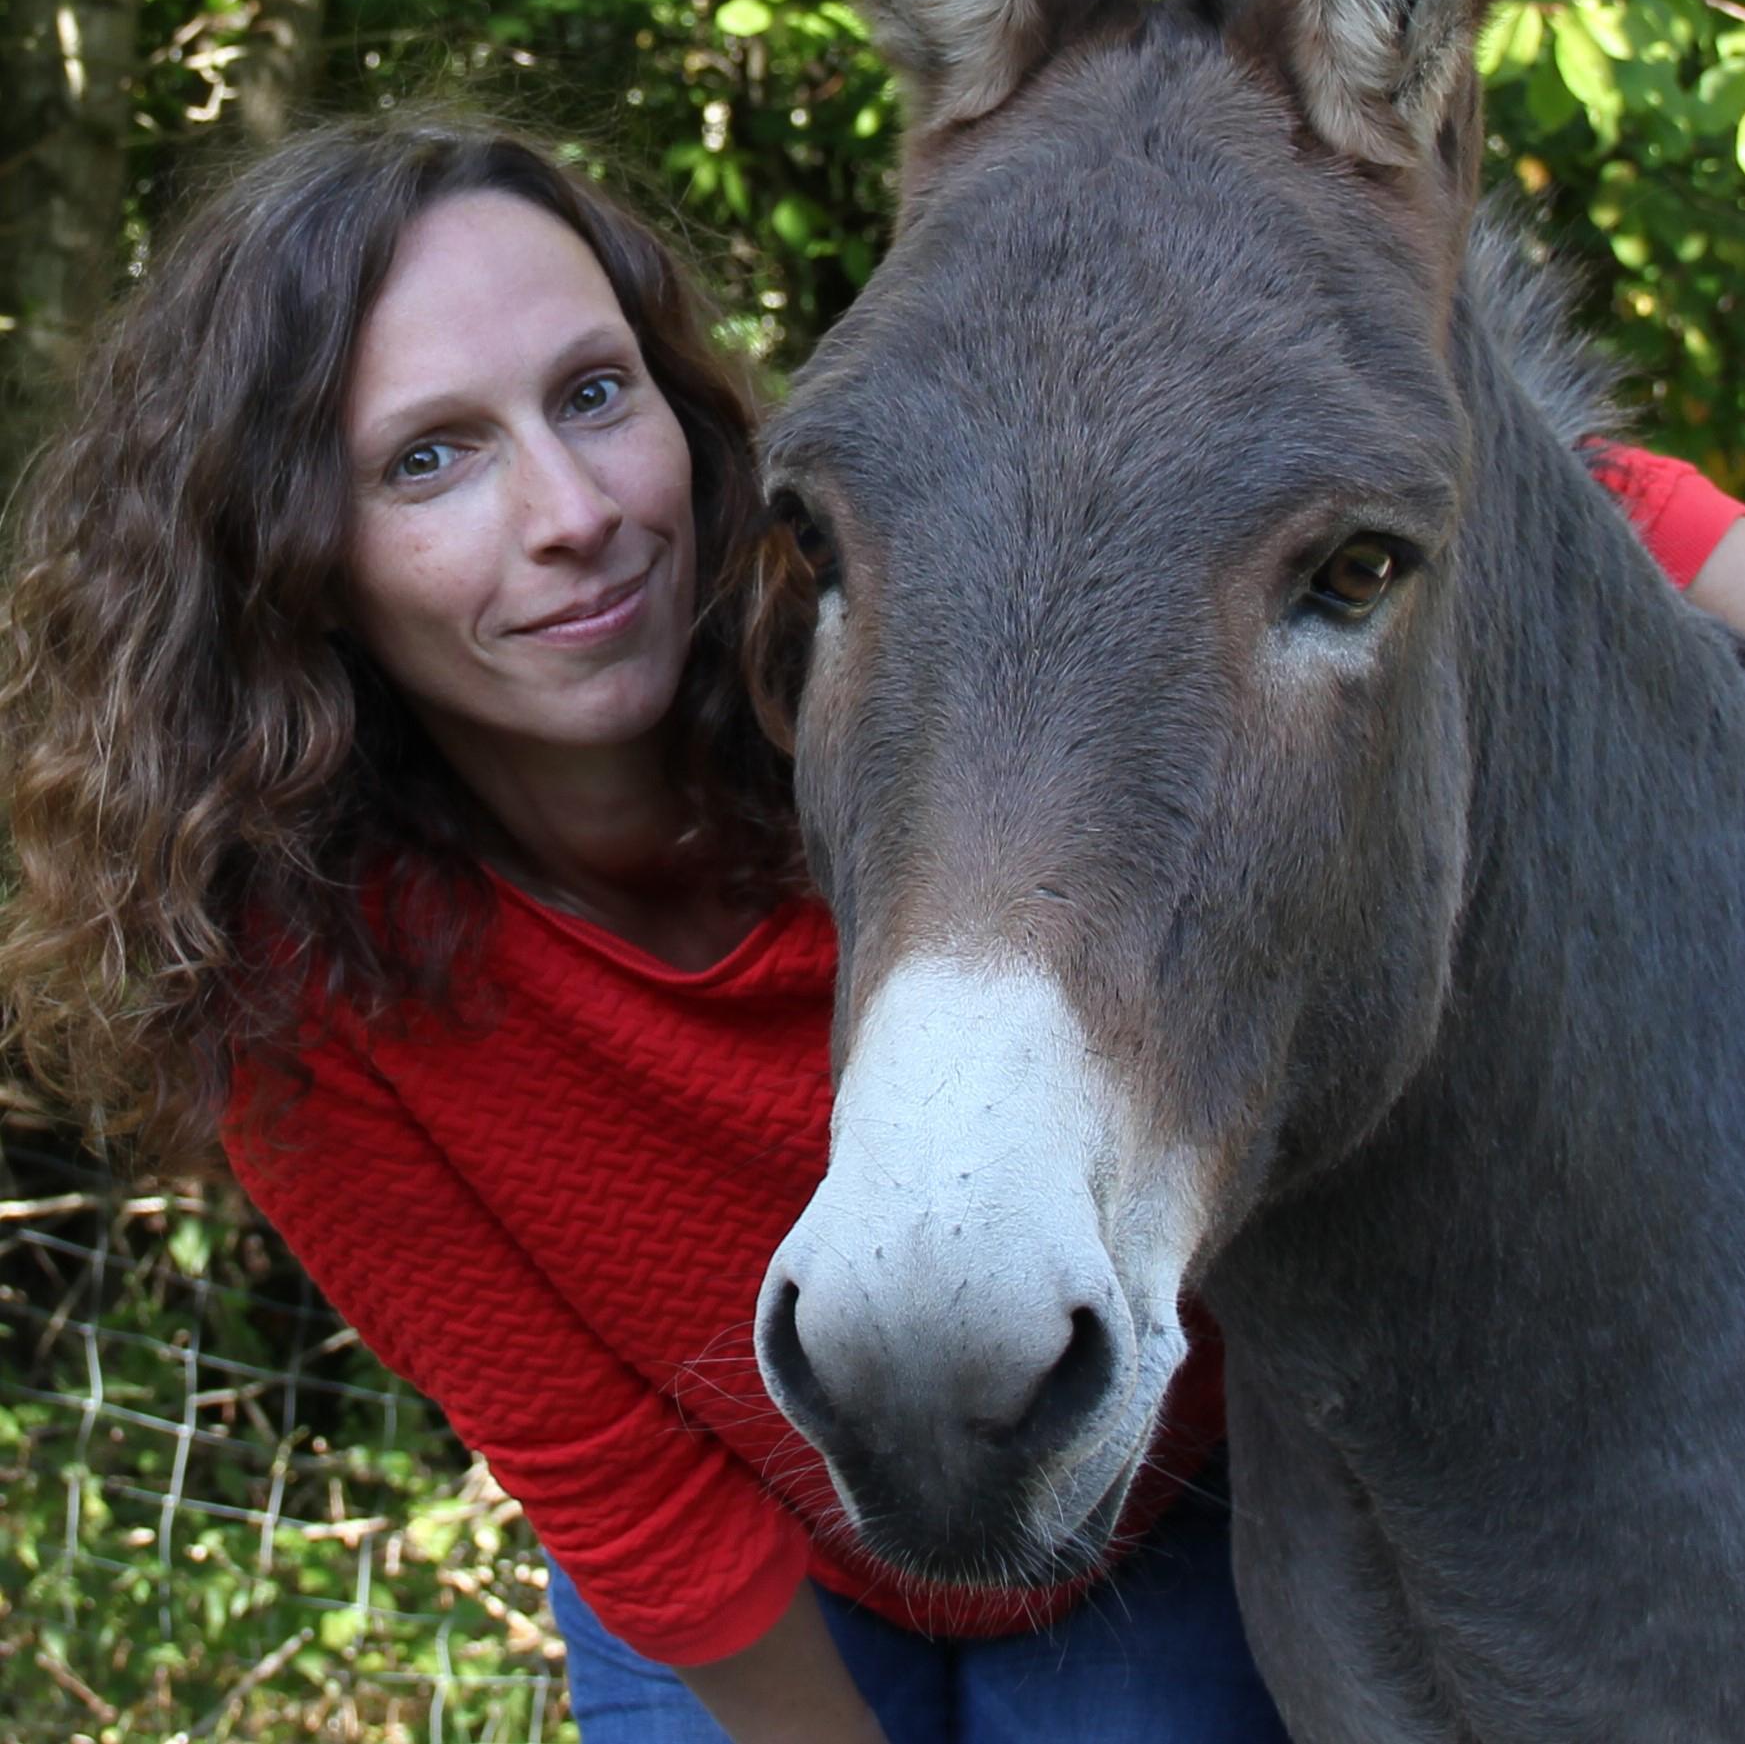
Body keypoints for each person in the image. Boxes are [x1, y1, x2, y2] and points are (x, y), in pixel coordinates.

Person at [2, 114, 1740, 1744]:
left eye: (594, 392)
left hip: (1142, 1491)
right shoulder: (287, 983)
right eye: (432, 455)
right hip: (741, 1559)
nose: (573, 510)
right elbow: (609, 1471)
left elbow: (1330, 499)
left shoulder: (905, 667)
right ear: (296, 548)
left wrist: (1682, 547)